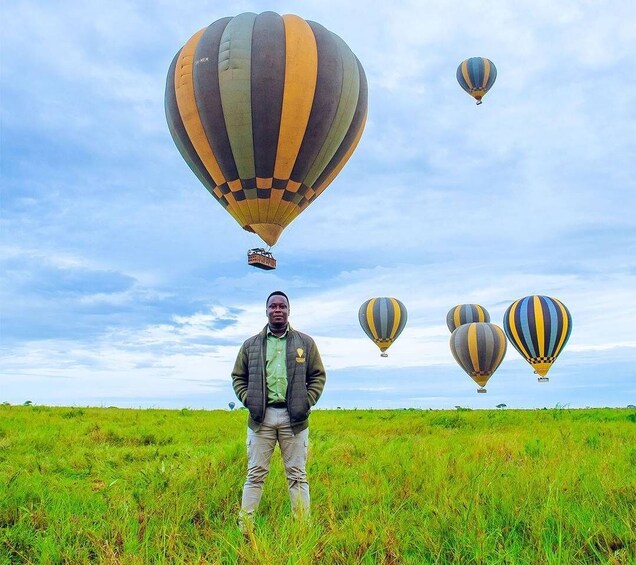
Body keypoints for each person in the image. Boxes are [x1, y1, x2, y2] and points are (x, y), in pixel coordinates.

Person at [231, 291, 326, 522]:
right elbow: (238, 377)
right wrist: (249, 401)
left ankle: (302, 528)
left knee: (297, 476)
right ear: (266, 311)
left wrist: (306, 402)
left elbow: (318, 376)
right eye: (272, 306)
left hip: (294, 419)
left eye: (282, 306)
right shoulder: (250, 345)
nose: (277, 310)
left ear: (288, 311)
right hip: (260, 419)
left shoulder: (305, 343)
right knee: (255, 475)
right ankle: (246, 529)